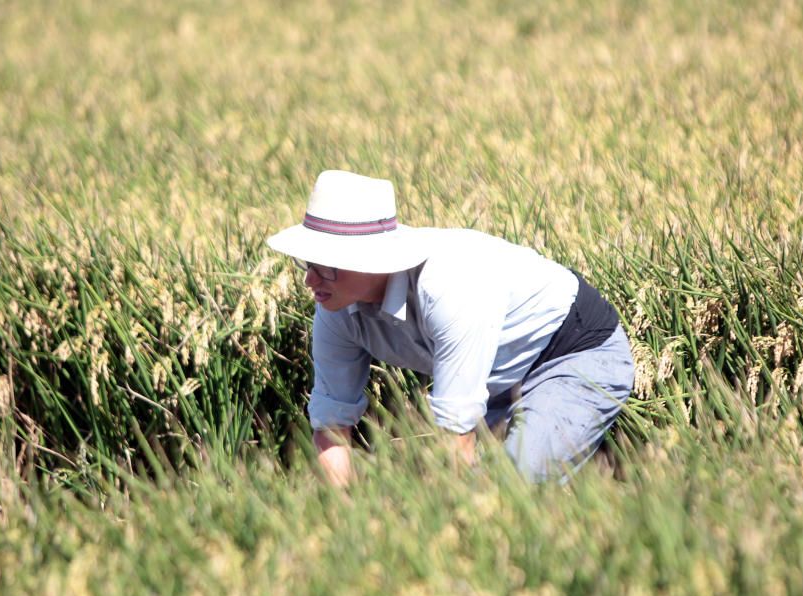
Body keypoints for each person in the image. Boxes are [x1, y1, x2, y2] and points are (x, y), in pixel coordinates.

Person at [267, 170, 635, 485]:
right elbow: (332, 426)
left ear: (370, 259)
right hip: (496, 382)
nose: (310, 280)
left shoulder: (448, 285)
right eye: (308, 263)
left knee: (512, 487)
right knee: (443, 488)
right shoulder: (334, 308)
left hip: (575, 353)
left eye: (327, 266)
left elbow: (456, 435)